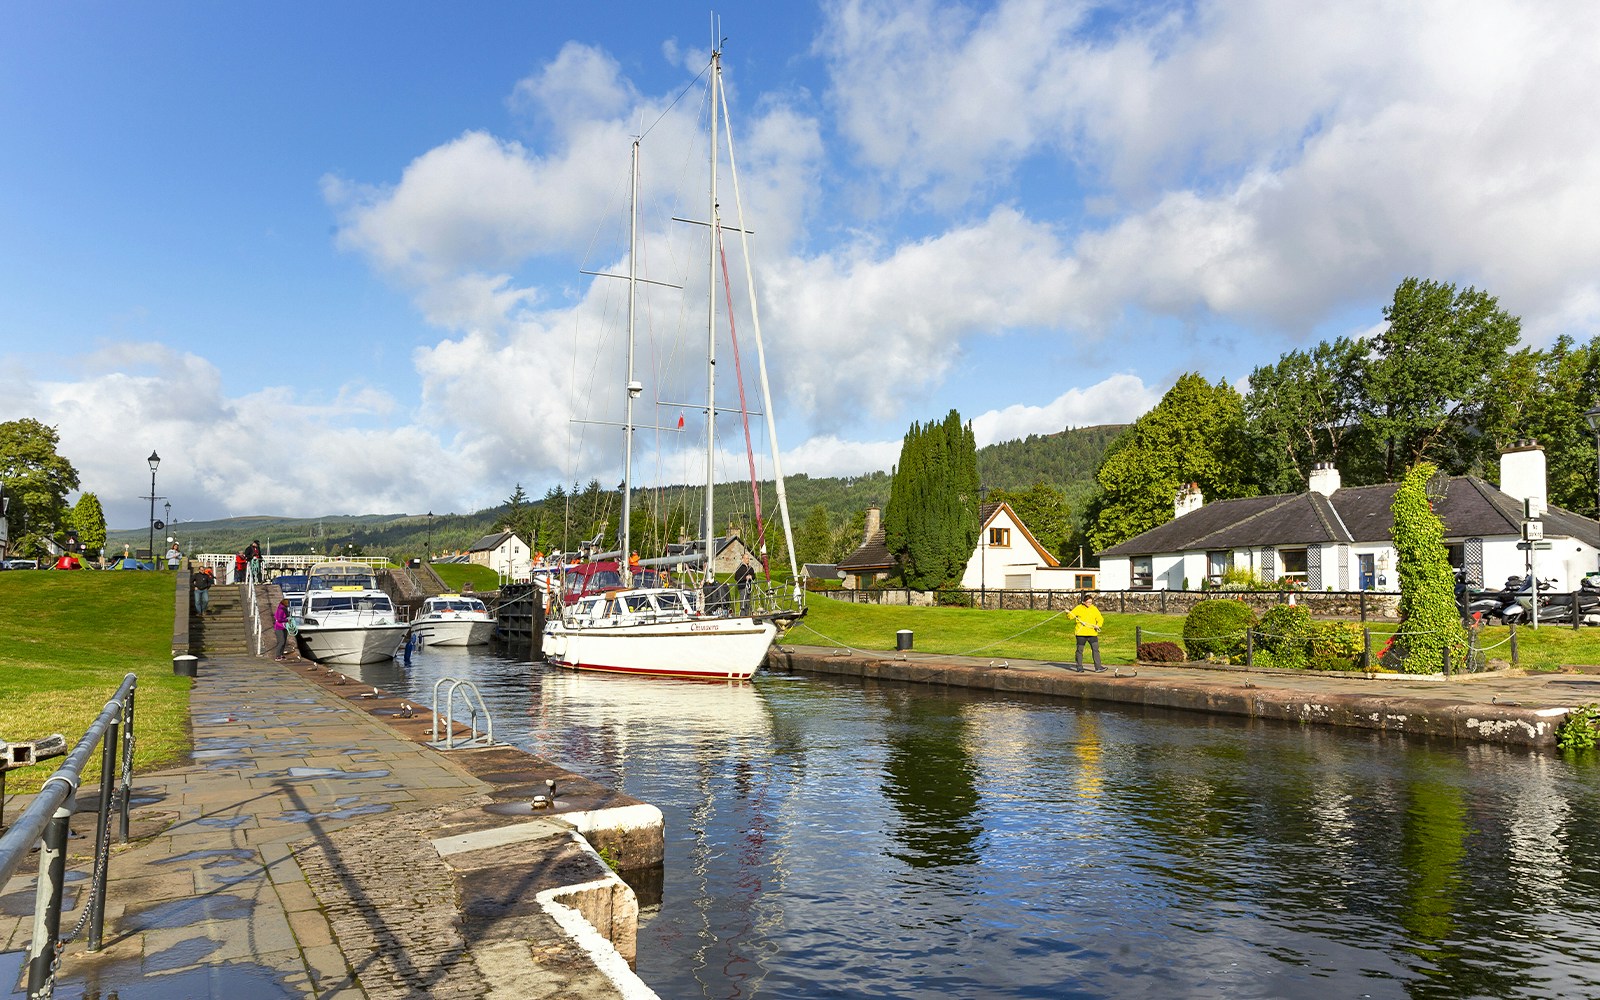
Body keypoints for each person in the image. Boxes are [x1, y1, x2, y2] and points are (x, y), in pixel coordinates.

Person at [1067, 592, 1105, 672]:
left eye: (1091, 602)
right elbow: (1070, 617)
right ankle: (1079, 667)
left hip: (1092, 633)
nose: (1089, 604)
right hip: (1081, 633)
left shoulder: (1094, 609)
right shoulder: (1079, 608)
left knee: (1096, 649)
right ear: (1084, 602)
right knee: (1080, 650)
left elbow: (1100, 618)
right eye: (1088, 602)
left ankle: (1098, 667)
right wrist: (1068, 613)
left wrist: (1098, 625)